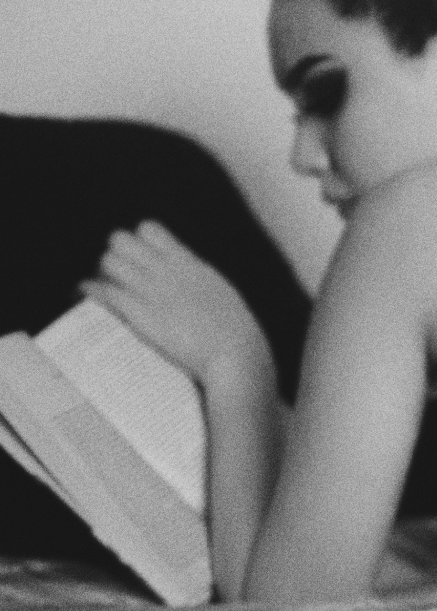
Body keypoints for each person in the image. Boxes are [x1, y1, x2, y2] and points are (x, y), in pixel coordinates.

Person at [81, 0, 437, 605]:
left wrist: (236, 362)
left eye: (324, 94)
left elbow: (292, 601)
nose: (302, 156)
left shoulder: (403, 221)